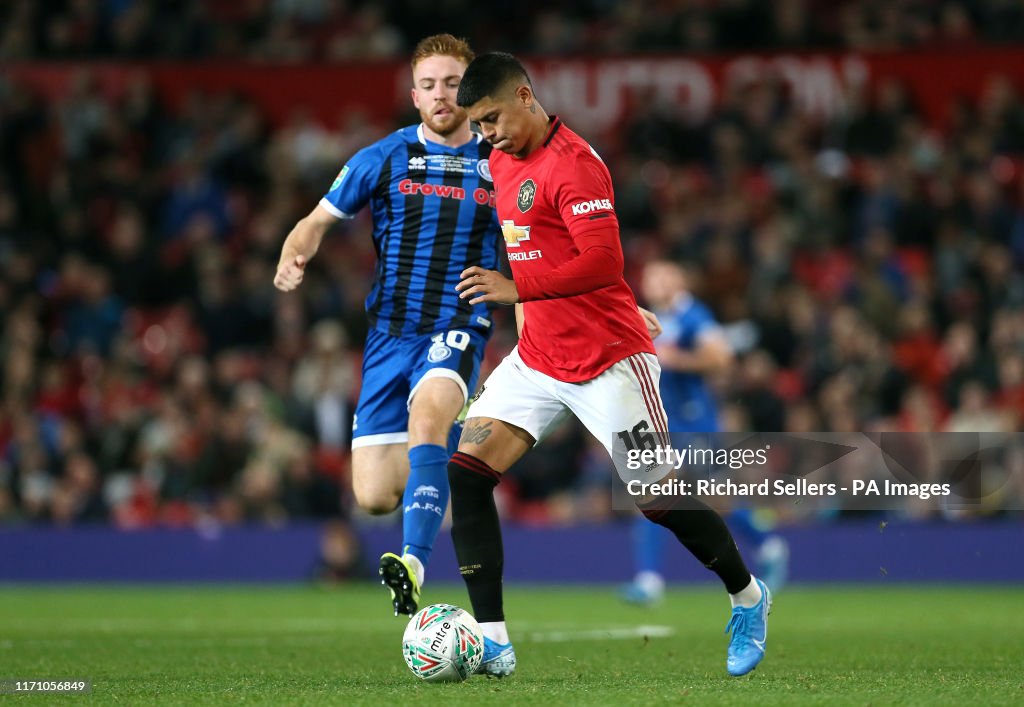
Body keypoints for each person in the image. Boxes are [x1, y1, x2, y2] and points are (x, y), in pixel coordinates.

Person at [448, 52, 771, 678]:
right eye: (478, 125)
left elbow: (601, 263)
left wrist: (522, 288)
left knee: (656, 497)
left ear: (524, 95)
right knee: (467, 473)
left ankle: (749, 598)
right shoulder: (499, 159)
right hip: (537, 359)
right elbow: (542, 244)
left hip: (609, 361)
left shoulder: (576, 164)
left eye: (490, 119)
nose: (486, 134)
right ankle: (493, 641)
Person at [273, 34, 502, 617]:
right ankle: (445, 469)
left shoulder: (500, 163)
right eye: (429, 85)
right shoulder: (383, 156)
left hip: (457, 321)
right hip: (387, 336)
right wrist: (294, 251)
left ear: (470, 89)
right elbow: (315, 220)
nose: (441, 94)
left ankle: (414, 561)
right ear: (414, 94)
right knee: (374, 495)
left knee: (428, 418)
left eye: (452, 83)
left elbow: (544, 247)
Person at [621, 259, 790, 606]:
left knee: (673, 491)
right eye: (651, 276)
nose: (654, 281)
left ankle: (651, 579)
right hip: (663, 421)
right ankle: (765, 542)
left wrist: (676, 359)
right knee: (668, 491)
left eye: (663, 274)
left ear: (679, 280)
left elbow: (722, 357)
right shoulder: (653, 316)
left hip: (693, 420)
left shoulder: (692, 315)